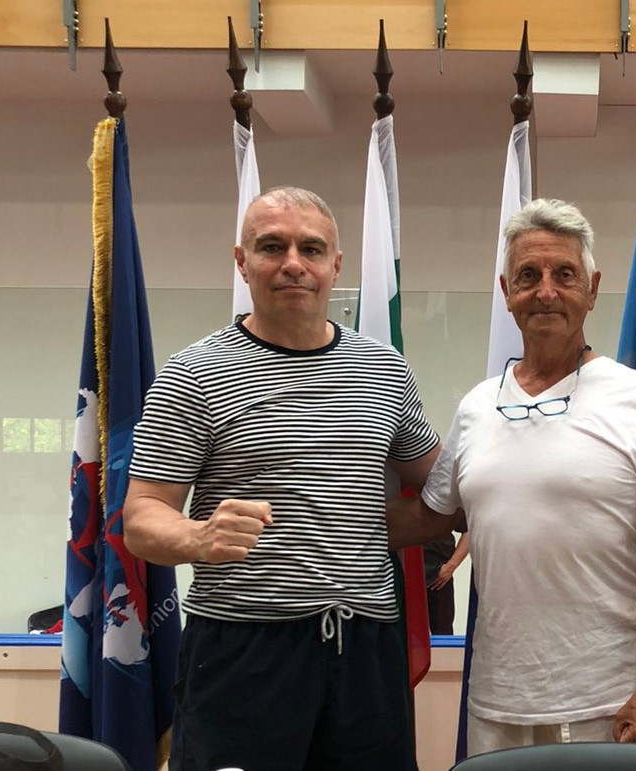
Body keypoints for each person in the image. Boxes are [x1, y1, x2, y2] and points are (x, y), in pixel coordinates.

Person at [123, 187, 440, 771]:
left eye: (311, 249)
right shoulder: (193, 372)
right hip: (242, 651)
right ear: (242, 262)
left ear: (335, 266)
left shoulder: (384, 367)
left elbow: (442, 485)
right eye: (272, 247)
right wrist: (197, 537)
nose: (294, 263)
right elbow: (141, 519)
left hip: (365, 648)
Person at [389, 198, 636, 755]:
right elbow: (430, 517)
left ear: (592, 289)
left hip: (610, 703)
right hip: (496, 702)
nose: (545, 291)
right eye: (528, 276)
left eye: (564, 275)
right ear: (506, 291)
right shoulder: (477, 406)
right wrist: (295, 509)